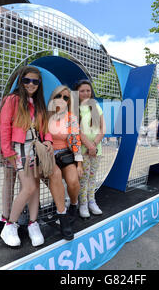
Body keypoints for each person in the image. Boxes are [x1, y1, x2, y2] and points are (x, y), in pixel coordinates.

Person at [0, 66, 59, 247]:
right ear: (20, 81)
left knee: (35, 186)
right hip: (18, 149)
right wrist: (6, 151)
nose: (31, 84)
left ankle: (33, 223)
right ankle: (10, 225)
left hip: (35, 148)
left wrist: (48, 141)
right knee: (29, 187)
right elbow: (4, 126)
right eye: (27, 80)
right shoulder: (12, 99)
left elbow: (45, 127)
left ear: (39, 84)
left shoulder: (38, 103)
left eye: (35, 81)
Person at [47, 85, 83, 236]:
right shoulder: (45, 116)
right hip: (48, 156)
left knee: (73, 182)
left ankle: (73, 205)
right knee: (55, 176)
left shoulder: (71, 118)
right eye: (58, 96)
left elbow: (76, 141)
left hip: (65, 154)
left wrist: (79, 163)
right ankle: (63, 217)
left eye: (65, 97)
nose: (61, 100)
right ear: (53, 97)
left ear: (68, 101)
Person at [74, 80, 106, 218]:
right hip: (83, 150)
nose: (86, 93)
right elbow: (77, 131)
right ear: (77, 93)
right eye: (82, 91)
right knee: (84, 177)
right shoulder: (75, 108)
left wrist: (95, 145)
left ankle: (92, 201)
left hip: (96, 150)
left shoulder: (96, 106)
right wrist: (89, 146)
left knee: (92, 177)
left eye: (88, 90)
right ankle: (83, 203)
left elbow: (102, 128)